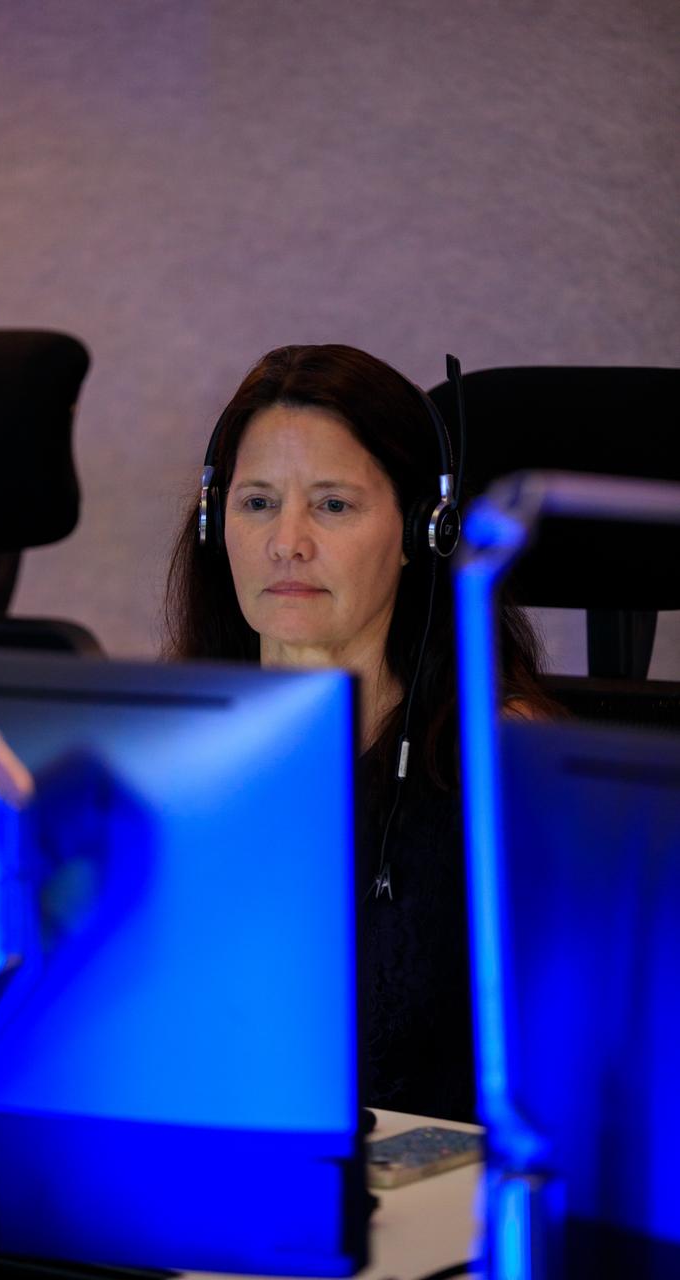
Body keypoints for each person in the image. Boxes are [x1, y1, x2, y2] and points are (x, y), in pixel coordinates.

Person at [164, 343, 555, 1121]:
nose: (288, 542)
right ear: (216, 521)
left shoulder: (500, 768)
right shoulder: (166, 756)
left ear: (422, 530)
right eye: (257, 502)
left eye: (333, 505)